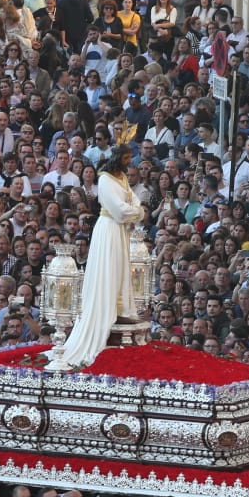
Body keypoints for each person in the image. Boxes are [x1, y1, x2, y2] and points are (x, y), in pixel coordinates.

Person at [59, 144, 145, 366]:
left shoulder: (122, 177)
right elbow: (120, 209)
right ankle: (107, 309)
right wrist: (137, 211)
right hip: (108, 227)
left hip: (120, 229)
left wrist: (136, 210)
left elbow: (134, 201)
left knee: (120, 268)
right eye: (126, 158)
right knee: (109, 267)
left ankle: (120, 308)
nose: (129, 162)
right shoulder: (105, 178)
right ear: (118, 157)